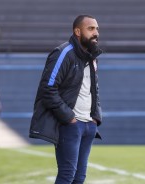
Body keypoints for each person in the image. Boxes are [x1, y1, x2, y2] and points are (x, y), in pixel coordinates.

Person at [29, 15, 103, 184]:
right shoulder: (63, 53)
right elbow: (48, 89)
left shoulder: (92, 57)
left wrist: (95, 118)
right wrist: (69, 118)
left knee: (79, 178)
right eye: (90, 28)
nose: (96, 32)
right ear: (77, 31)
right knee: (67, 174)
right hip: (70, 125)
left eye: (97, 29)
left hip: (88, 125)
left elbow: (94, 89)